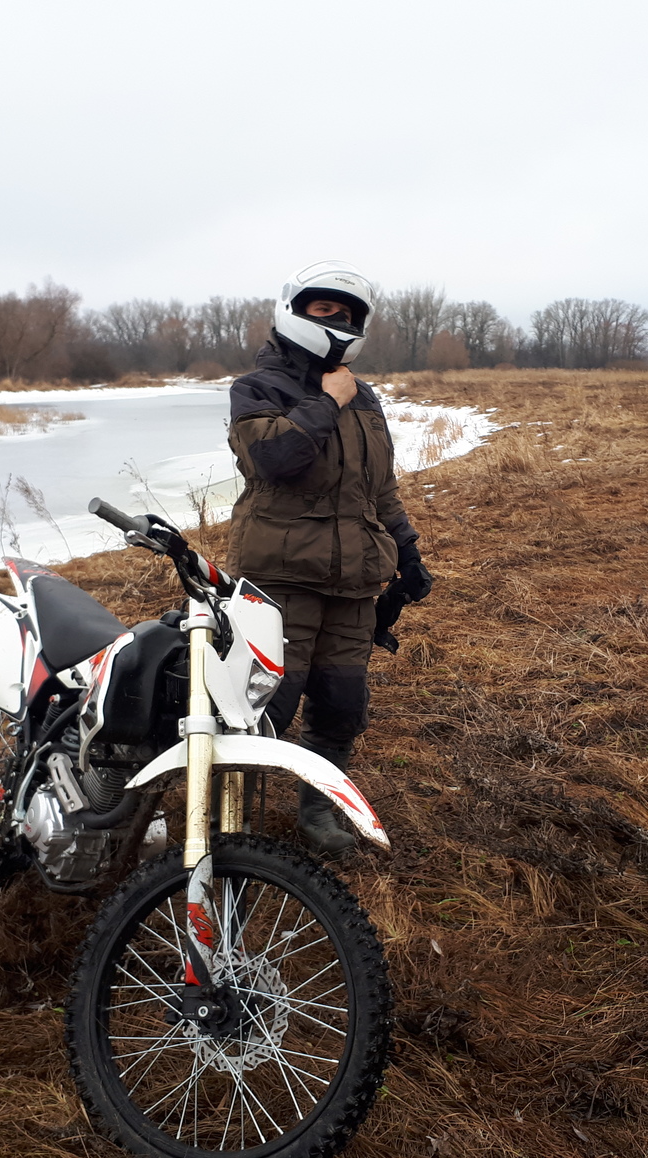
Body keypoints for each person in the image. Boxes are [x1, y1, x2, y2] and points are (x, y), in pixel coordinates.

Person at [227, 261, 432, 855]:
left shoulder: (362, 396)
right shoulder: (258, 387)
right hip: (280, 578)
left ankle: (317, 814)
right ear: (296, 310)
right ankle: (229, 818)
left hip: (353, 583)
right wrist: (325, 402)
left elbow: (379, 484)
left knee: (342, 706)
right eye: (324, 310)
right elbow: (272, 459)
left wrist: (408, 548)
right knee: (266, 706)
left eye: (347, 313)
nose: (337, 320)